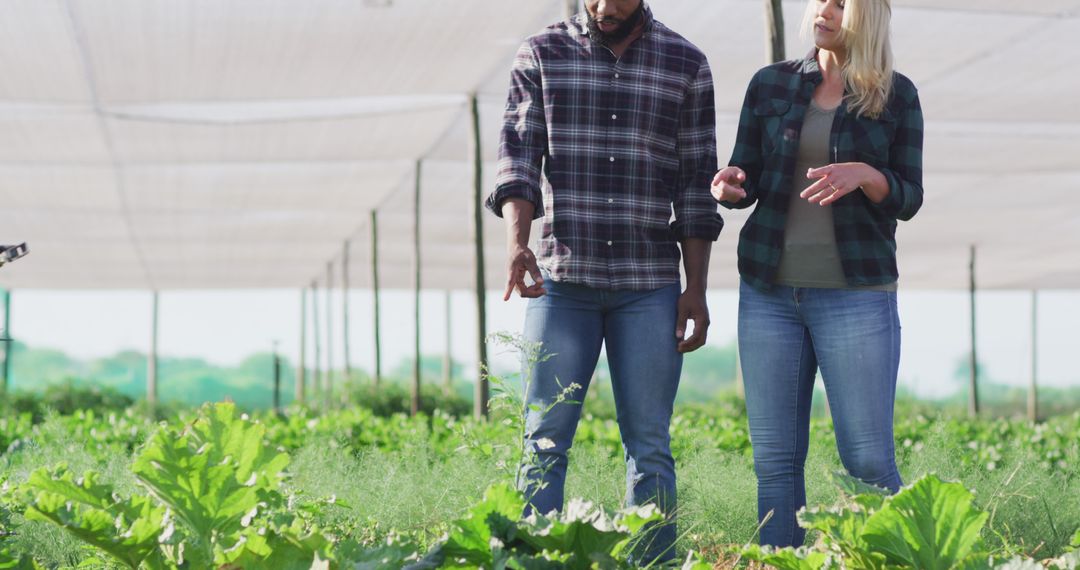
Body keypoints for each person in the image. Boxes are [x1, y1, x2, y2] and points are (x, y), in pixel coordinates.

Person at [486, 0, 723, 562]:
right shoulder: (542, 53)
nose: (602, 6)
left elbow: (695, 182)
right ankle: (532, 560)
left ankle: (651, 560)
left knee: (650, 445)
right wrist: (518, 243)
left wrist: (695, 289)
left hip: (649, 284)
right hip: (563, 282)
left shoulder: (685, 63)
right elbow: (518, 157)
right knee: (544, 439)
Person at [711, 0, 923, 547]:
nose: (823, 10)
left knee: (869, 458)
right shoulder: (770, 85)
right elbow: (746, 176)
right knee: (776, 462)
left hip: (856, 295)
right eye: (820, 1)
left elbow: (909, 197)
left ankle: (895, 559)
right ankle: (783, 559)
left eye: (839, 2)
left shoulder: (897, 96)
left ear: (866, 16)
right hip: (769, 294)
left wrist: (867, 175)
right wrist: (729, 185)